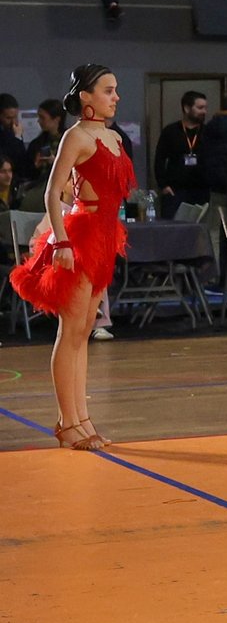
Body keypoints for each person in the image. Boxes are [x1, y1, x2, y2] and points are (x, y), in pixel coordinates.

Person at [8, 64, 134, 450]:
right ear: (86, 96)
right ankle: (68, 422)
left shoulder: (112, 136)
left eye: (115, 90)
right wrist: (61, 243)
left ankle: (82, 419)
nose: (115, 97)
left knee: (83, 332)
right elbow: (53, 192)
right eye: (108, 90)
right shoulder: (75, 136)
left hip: (105, 236)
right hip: (81, 236)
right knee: (71, 330)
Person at [153, 90, 209, 217]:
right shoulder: (170, 131)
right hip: (175, 191)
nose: (204, 111)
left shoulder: (208, 132)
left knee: (200, 227)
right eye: (200, 108)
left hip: (202, 191)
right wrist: (163, 185)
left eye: (205, 108)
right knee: (172, 226)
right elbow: (159, 159)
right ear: (187, 108)